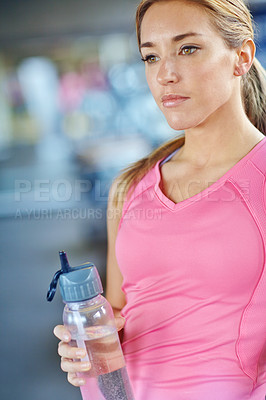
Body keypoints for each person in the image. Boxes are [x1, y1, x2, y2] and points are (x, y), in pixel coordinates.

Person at [54, 0, 266, 399]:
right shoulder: (130, 185)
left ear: (242, 57)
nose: (165, 74)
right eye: (151, 56)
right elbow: (114, 313)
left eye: (188, 48)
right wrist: (83, 342)